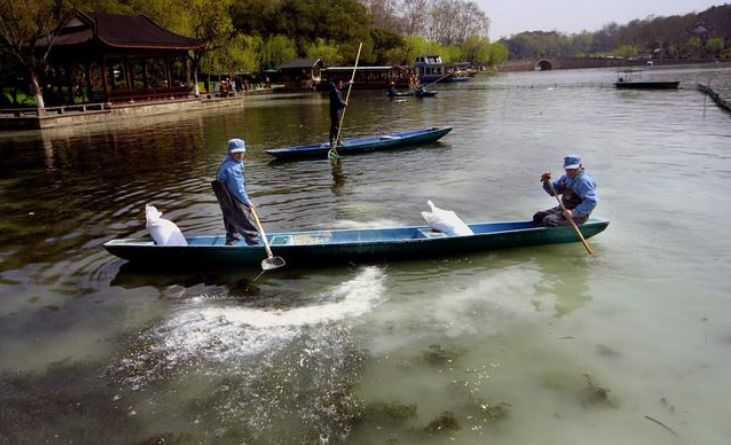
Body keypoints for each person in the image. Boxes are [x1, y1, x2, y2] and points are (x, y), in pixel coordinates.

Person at [211, 138, 260, 245]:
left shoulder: (232, 162)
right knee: (244, 220)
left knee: (230, 218)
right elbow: (238, 190)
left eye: (241, 152)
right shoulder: (232, 168)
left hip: (225, 197)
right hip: (230, 196)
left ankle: (231, 243)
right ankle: (254, 243)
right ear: (230, 152)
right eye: (236, 153)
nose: (239, 155)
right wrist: (248, 202)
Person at [533, 154, 598, 227]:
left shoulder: (584, 181)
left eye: (574, 169)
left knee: (549, 220)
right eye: (569, 170)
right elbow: (553, 191)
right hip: (563, 210)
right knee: (538, 216)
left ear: (580, 166)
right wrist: (546, 181)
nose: (572, 172)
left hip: (577, 215)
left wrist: (573, 213)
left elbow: (591, 202)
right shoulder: (566, 178)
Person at [328, 78, 347, 147]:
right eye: (341, 83)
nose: (342, 85)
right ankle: (332, 141)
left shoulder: (334, 90)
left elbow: (342, 86)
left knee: (336, 127)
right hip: (335, 112)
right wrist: (344, 103)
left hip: (335, 111)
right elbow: (338, 102)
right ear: (337, 84)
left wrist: (349, 83)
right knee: (334, 127)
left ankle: (337, 141)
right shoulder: (335, 92)